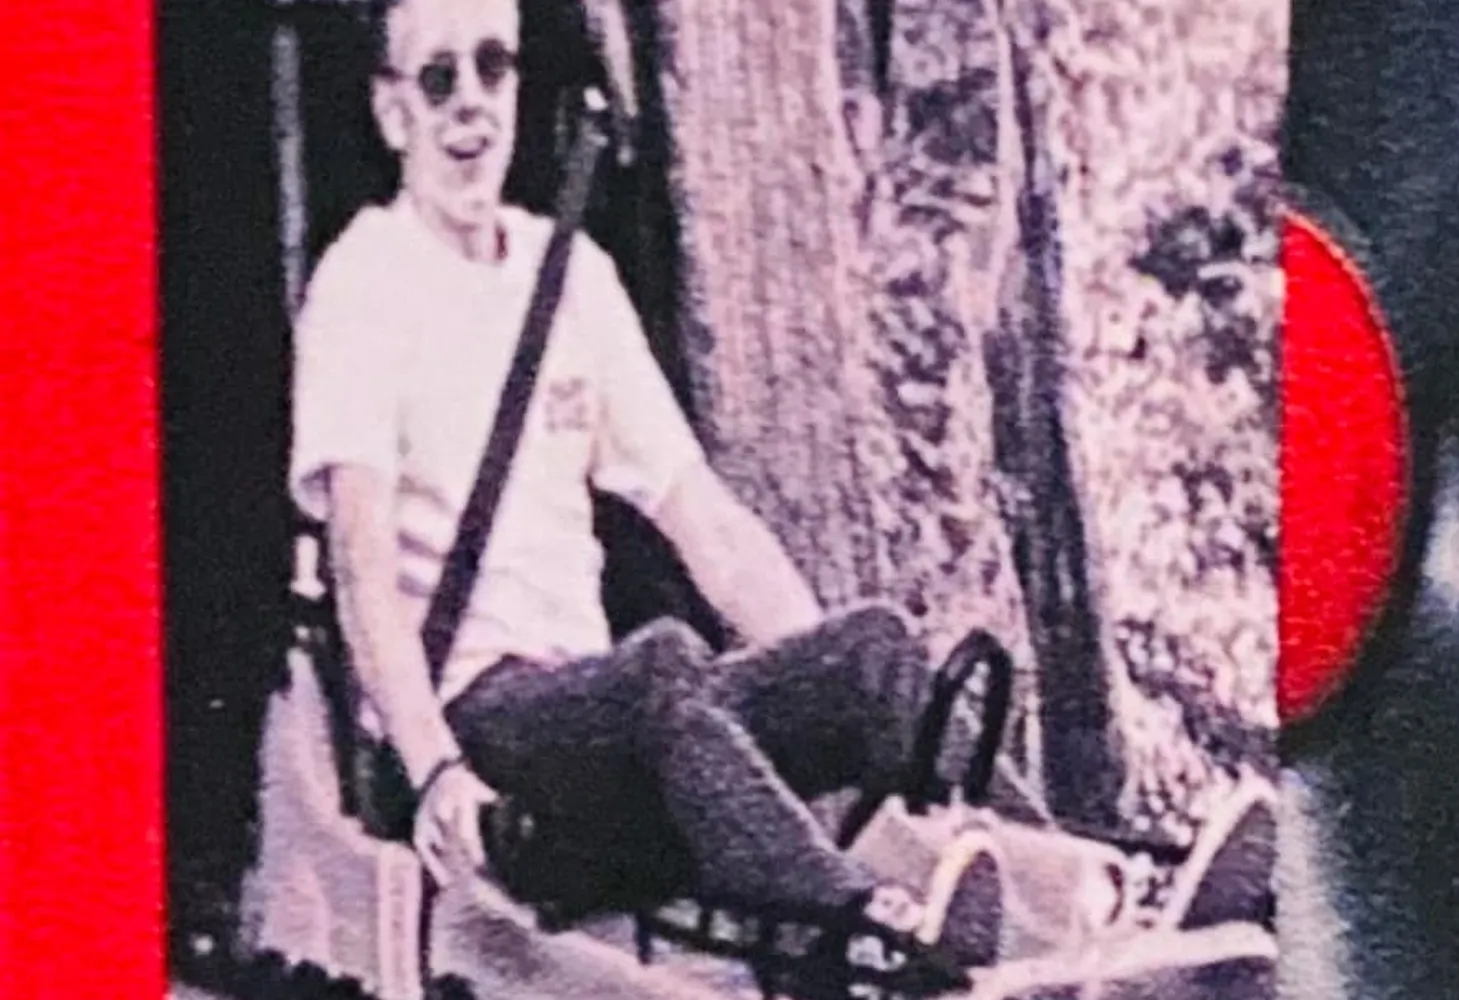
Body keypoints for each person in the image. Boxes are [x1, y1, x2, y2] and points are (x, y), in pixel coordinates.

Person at [287, 0, 1046, 991]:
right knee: (662, 668)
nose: (471, 102)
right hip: (486, 735)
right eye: (439, 78)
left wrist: (824, 685)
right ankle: (857, 926)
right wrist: (434, 773)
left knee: (871, 651)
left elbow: (707, 523)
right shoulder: (365, 283)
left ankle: (1069, 882)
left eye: (493, 66)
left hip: (610, 724)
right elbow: (360, 573)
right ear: (394, 114)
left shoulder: (571, 277)